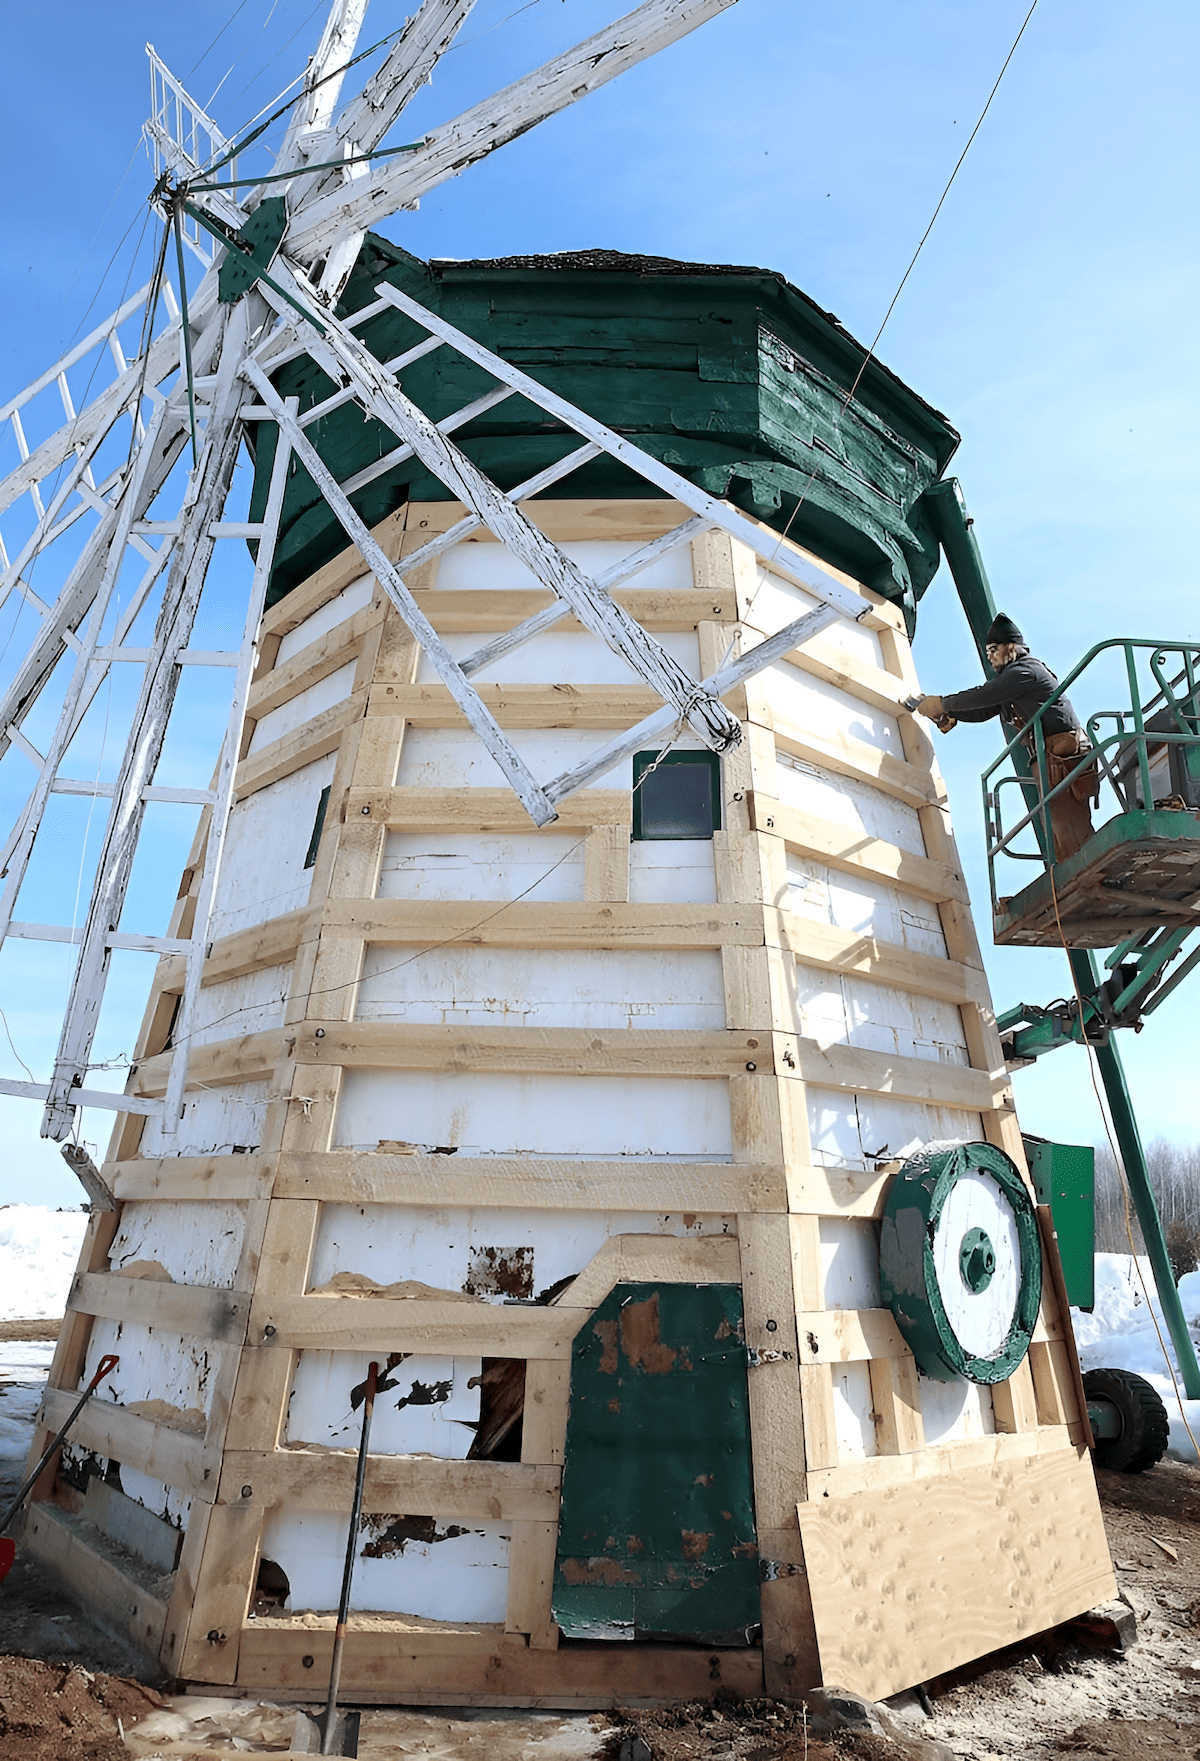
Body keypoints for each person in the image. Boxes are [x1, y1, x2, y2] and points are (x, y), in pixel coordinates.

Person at [916, 613, 1097, 862]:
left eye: (994, 649)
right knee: (1058, 828)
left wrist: (943, 703)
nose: (989, 656)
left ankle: (1088, 870)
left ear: (1011, 647)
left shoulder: (1025, 671)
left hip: (1062, 753)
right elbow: (986, 709)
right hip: (1051, 756)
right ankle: (1075, 873)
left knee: (1068, 825)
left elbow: (986, 695)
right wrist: (950, 711)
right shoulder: (1014, 681)